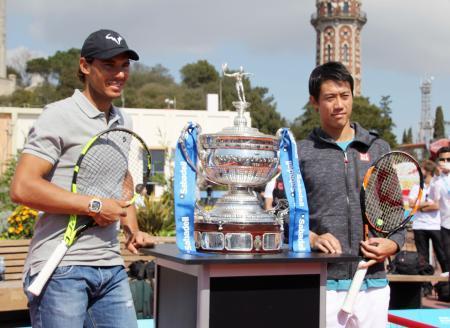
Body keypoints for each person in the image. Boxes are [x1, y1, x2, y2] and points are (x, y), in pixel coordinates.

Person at [10, 29, 155, 328]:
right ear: (85, 66)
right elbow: (22, 187)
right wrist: (93, 205)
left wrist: (132, 229)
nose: (119, 74)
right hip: (61, 268)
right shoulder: (58, 115)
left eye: (124, 65)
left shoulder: (123, 120)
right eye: (109, 65)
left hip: (111, 267)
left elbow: (120, 175)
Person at [298, 61, 404, 327]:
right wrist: (312, 237)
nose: (339, 105)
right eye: (330, 97)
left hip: (373, 281)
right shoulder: (301, 152)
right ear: (314, 101)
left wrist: (393, 244)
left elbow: (395, 210)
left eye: (345, 96)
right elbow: (283, 212)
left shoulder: (378, 148)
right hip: (323, 281)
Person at [409, 160, 448, 273]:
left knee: (442, 255)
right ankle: (426, 286)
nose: (420, 172)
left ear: (428, 171)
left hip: (436, 226)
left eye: (422, 169)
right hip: (419, 226)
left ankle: (444, 285)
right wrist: (426, 204)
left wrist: (419, 206)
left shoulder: (437, 185)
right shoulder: (416, 186)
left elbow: (437, 205)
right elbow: (411, 204)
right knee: (422, 258)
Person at [431, 146, 450, 277]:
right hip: (445, 224)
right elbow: (433, 199)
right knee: (447, 259)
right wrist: (437, 176)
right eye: (442, 160)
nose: (446, 162)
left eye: (449, 159)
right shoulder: (437, 180)